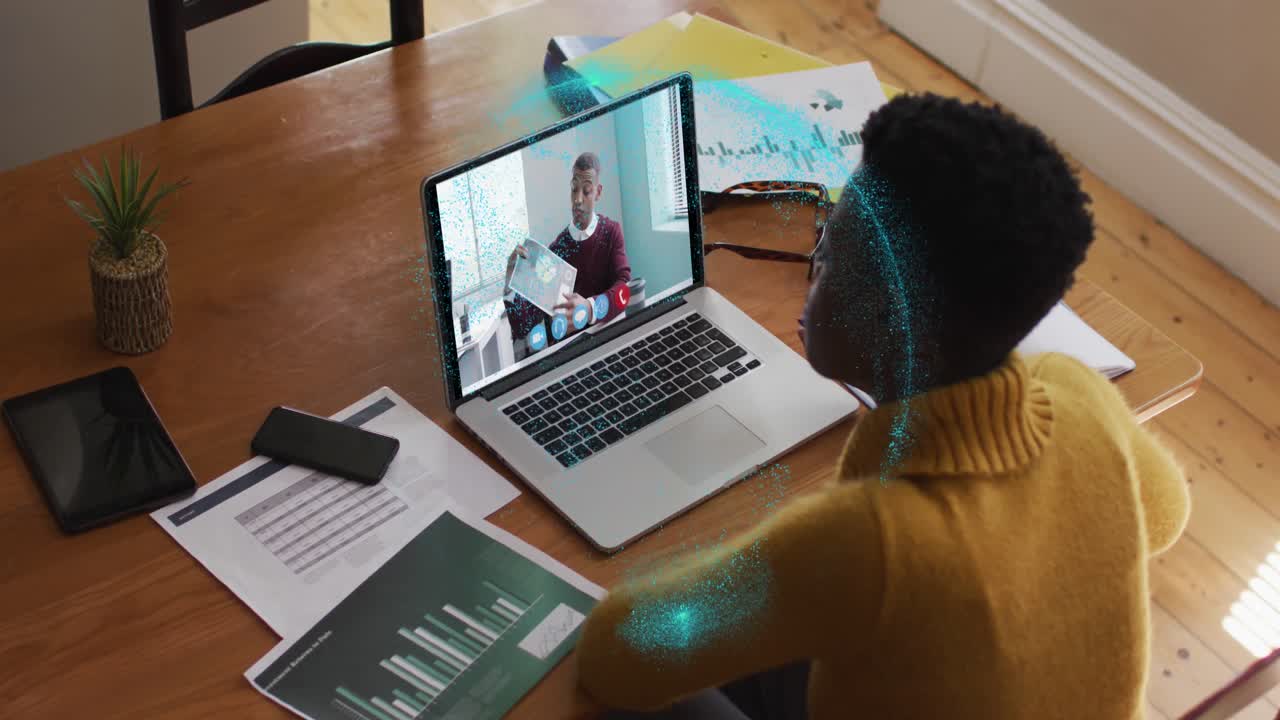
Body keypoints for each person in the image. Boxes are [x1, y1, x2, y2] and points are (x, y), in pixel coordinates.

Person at [574, 93, 1190, 719]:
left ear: (885, 313)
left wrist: (783, 553)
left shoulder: (869, 545)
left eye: (830, 250)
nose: (813, 268)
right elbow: (1167, 511)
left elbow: (616, 651)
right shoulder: (1078, 393)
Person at [504, 151, 631, 356]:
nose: (578, 199)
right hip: (570, 355)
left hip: (608, 345)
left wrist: (590, 309)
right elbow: (522, 326)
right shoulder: (556, 250)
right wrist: (510, 285)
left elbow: (623, 290)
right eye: (574, 189)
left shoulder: (611, 232)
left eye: (586, 191)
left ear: (598, 192)